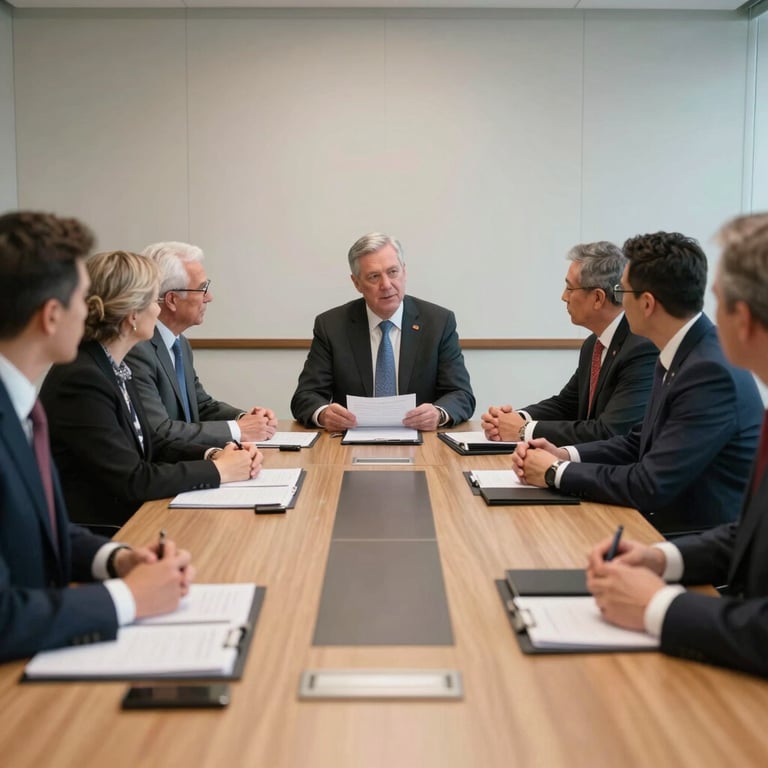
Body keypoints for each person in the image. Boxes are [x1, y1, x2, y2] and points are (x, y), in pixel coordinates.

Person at [0, 211, 195, 663]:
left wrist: (117, 559)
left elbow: (43, 531)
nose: (92, 311)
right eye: (83, 298)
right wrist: (128, 598)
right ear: (51, 316)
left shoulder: (20, 406)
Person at [587, 213, 768, 678]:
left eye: (719, 301)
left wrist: (657, 606)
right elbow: (746, 533)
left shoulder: (710, 369)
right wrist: (660, 557)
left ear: (742, 319)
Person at [513, 231, 763, 535]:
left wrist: (555, 472)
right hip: (660, 523)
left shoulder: (709, 372)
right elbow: (638, 441)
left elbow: (649, 483)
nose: (618, 301)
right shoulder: (680, 352)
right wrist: (564, 455)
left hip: (696, 541)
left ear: (646, 303)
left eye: (624, 291)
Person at [40, 249, 262, 528]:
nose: (158, 310)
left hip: (131, 518)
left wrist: (214, 454)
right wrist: (219, 470)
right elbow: (133, 479)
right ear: (132, 314)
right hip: (104, 531)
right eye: (153, 299)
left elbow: (153, 442)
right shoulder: (83, 378)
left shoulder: (111, 365)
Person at [290, 232, 475, 431]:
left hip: (423, 443)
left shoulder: (438, 322)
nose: (386, 285)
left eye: (393, 272)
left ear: (404, 272)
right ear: (357, 283)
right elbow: (305, 396)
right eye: (374, 276)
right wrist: (324, 414)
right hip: (348, 444)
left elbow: (461, 394)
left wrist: (438, 414)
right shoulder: (331, 325)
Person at [482, 241, 657, 444]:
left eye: (569, 288)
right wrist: (516, 419)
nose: (564, 297)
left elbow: (611, 431)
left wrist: (523, 431)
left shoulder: (641, 348)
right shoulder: (593, 344)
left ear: (598, 298)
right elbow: (567, 404)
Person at [125, 241, 277, 447]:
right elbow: (158, 431)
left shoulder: (180, 343)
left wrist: (245, 418)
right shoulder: (136, 349)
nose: (209, 297)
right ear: (172, 300)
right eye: (202, 289)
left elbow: (200, 405)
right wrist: (238, 430)